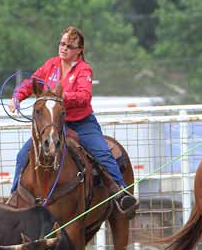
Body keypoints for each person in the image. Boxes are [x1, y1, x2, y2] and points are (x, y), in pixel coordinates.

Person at [9, 26, 138, 217]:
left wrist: (60, 98)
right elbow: (32, 82)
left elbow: (84, 96)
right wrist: (17, 96)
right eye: (62, 44)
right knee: (23, 155)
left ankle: (121, 193)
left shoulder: (84, 70)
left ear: (79, 50)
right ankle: (14, 196)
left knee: (102, 153)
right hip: (53, 123)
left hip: (81, 123)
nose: (64, 48)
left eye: (70, 46)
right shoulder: (51, 65)